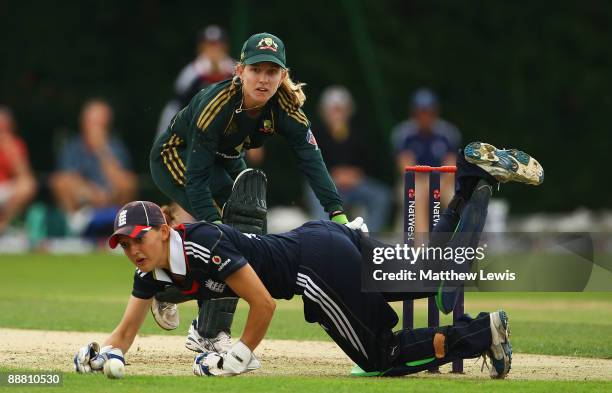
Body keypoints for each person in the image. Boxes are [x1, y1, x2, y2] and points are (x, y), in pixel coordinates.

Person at [73, 141, 545, 378]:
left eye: (138, 239)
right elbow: (126, 332)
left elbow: (264, 304)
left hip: (312, 267)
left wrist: (237, 357)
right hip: (320, 241)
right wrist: (102, 352)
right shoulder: (150, 270)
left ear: (162, 230)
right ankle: (467, 182)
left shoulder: (202, 243)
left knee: (379, 357)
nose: (133, 250)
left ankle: (481, 333)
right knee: (430, 275)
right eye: (124, 244)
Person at [148, 33, 351, 351]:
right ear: (239, 71)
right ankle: (206, 332)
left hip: (227, 160)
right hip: (177, 157)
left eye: (272, 72)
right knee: (223, 241)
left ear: (282, 76)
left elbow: (312, 161)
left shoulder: (285, 107)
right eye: (256, 70)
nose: (263, 80)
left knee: (255, 240)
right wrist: (218, 232)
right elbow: (198, 180)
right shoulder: (216, 106)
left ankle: (166, 287)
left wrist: (338, 214)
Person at [306, 86, 391, 232]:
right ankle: (327, 235)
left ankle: (368, 238)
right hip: (328, 185)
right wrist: (331, 176)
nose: (337, 114)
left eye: (340, 109)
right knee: (315, 192)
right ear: (324, 112)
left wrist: (356, 174)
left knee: (382, 196)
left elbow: (371, 163)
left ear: (348, 110)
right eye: (333, 110)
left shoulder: (359, 133)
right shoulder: (315, 134)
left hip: (355, 185)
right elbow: (310, 165)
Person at [49, 99, 137, 236]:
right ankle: (74, 229)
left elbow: (122, 181)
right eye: (92, 122)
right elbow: (68, 177)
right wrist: (93, 193)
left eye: (99, 123)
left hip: (110, 198)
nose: (95, 128)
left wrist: (102, 151)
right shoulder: (73, 146)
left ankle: (123, 228)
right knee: (59, 181)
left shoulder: (116, 147)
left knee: (129, 182)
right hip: (84, 200)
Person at [391, 88, 461, 234]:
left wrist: (437, 183)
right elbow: (405, 166)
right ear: (414, 113)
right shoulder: (404, 133)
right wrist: (426, 183)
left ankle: (459, 243)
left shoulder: (447, 133)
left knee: (455, 197)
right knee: (416, 194)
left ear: (435, 112)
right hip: (415, 180)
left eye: (428, 112)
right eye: (421, 112)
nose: (424, 116)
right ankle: (423, 246)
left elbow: (451, 164)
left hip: (443, 181)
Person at [156, 25, 235, 139]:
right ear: (200, 48)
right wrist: (164, 136)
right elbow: (175, 106)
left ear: (225, 47)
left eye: (218, 45)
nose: (213, 50)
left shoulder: (236, 72)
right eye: (209, 45)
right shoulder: (190, 74)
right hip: (194, 135)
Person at [0, 107, 37, 234]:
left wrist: (12, 152)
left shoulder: (16, 144)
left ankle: (2, 226)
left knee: (28, 185)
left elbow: (25, 176)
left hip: (6, 189)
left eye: (5, 127)